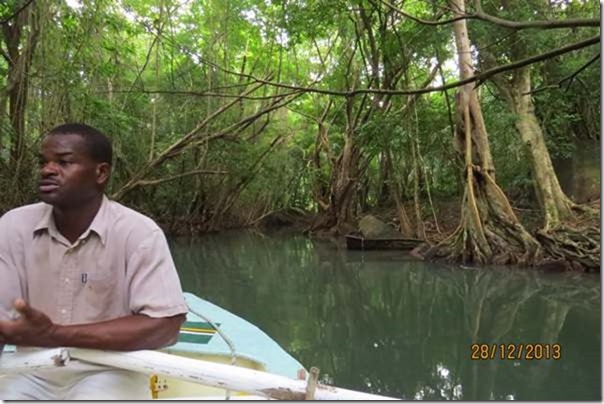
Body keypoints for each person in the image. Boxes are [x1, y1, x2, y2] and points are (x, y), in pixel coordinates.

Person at [0, 123, 189, 399]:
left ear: (100, 173)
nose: (47, 170)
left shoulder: (138, 233)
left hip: (110, 370)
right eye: (44, 162)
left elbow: (164, 326)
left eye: (64, 162)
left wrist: (54, 334)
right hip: (32, 370)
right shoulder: (12, 226)